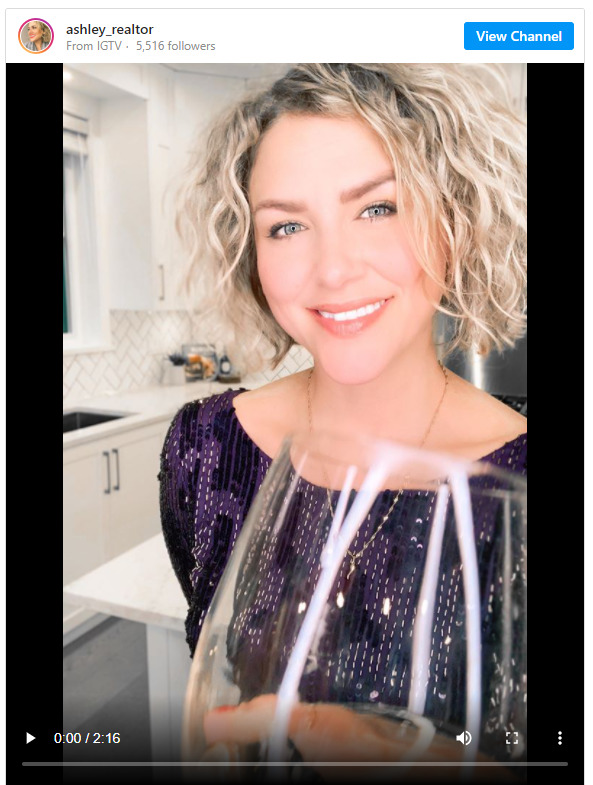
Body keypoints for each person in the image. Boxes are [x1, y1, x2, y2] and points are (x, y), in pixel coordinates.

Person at [159, 64, 527, 772]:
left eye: (378, 208)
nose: (332, 269)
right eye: (287, 225)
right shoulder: (205, 450)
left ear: (454, 220)